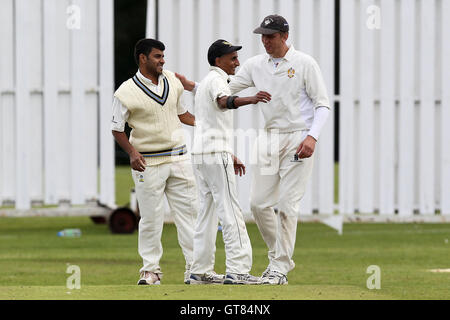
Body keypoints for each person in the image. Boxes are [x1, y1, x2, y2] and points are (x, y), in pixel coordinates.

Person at [178, 14, 330, 285]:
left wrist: (312, 137)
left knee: (287, 206)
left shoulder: (305, 63)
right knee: (258, 204)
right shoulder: (255, 65)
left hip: (298, 137)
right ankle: (279, 256)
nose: (265, 41)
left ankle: (279, 267)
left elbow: (322, 105)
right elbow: (224, 91)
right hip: (268, 137)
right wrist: (194, 86)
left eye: (270, 36)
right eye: (262, 36)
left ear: (284, 36)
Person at [111, 38, 202, 285]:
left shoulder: (172, 80)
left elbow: (182, 113)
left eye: (163, 56)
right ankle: (150, 271)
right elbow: (117, 128)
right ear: (143, 58)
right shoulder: (125, 91)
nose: (163, 60)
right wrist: (132, 152)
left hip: (179, 158)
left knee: (190, 215)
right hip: (147, 163)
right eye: (157, 56)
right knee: (151, 219)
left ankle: (195, 270)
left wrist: (205, 124)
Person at [188, 40, 271, 285]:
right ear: (218, 61)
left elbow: (210, 119)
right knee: (231, 210)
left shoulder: (205, 83)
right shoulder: (217, 81)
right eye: (232, 58)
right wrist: (251, 99)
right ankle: (238, 269)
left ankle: (200, 271)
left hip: (202, 154)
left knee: (207, 213)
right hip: (214, 154)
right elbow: (224, 102)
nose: (237, 63)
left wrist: (229, 153)